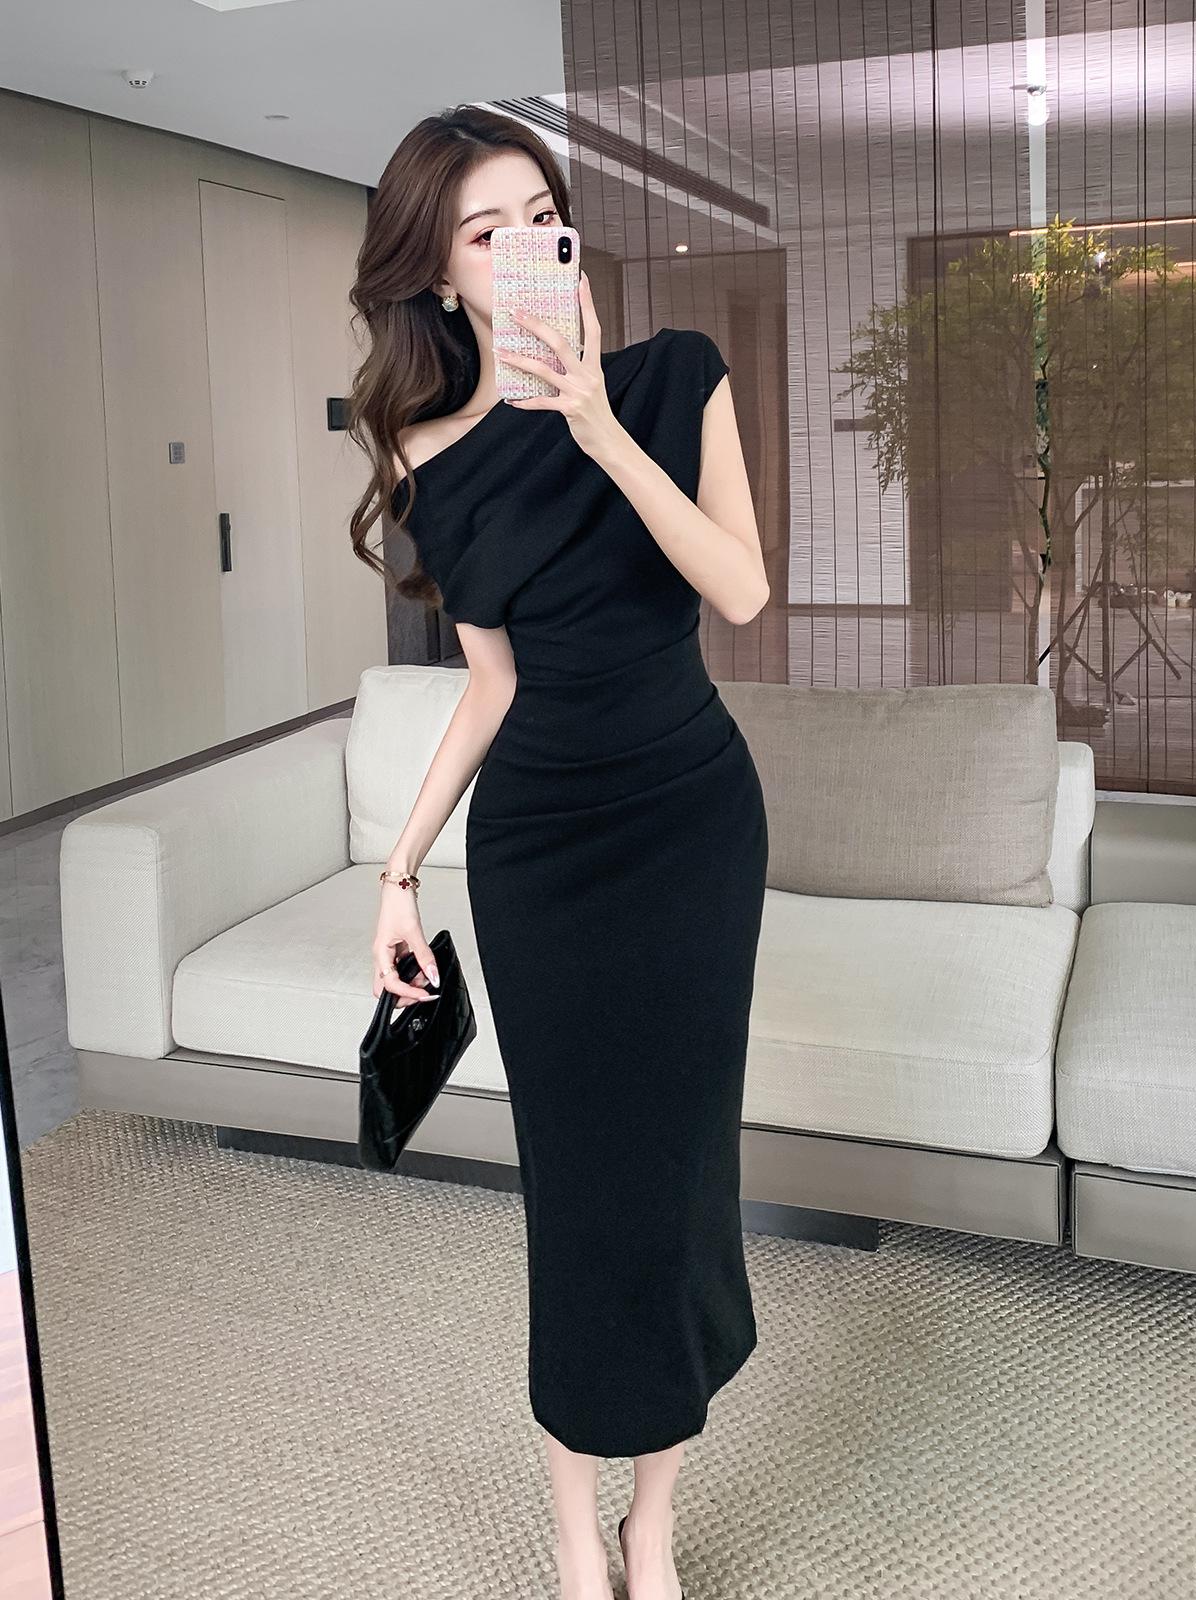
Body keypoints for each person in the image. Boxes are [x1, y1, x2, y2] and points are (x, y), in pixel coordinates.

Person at [347, 105, 770, 1600]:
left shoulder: (675, 377)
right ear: (439, 275)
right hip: (543, 854)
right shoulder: (428, 457)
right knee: (579, 1192)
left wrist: (597, 428)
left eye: (542, 215)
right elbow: (491, 685)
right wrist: (399, 873)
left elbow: (740, 592)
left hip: (691, 827)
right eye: (486, 231)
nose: (525, 244)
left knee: (679, 1179)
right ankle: (575, 1527)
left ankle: (655, 1523)